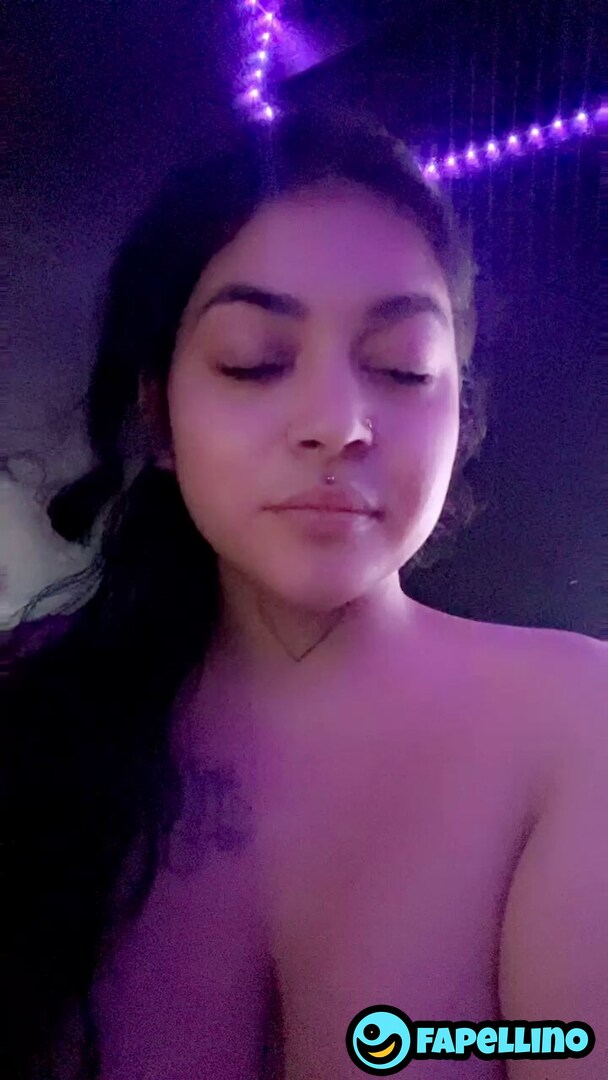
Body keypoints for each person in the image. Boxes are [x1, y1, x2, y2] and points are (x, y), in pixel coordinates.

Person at [2, 101, 606, 1080]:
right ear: (159, 415)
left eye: (401, 368)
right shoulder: (28, 703)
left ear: (459, 409)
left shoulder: (576, 725)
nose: (337, 422)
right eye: (254, 362)